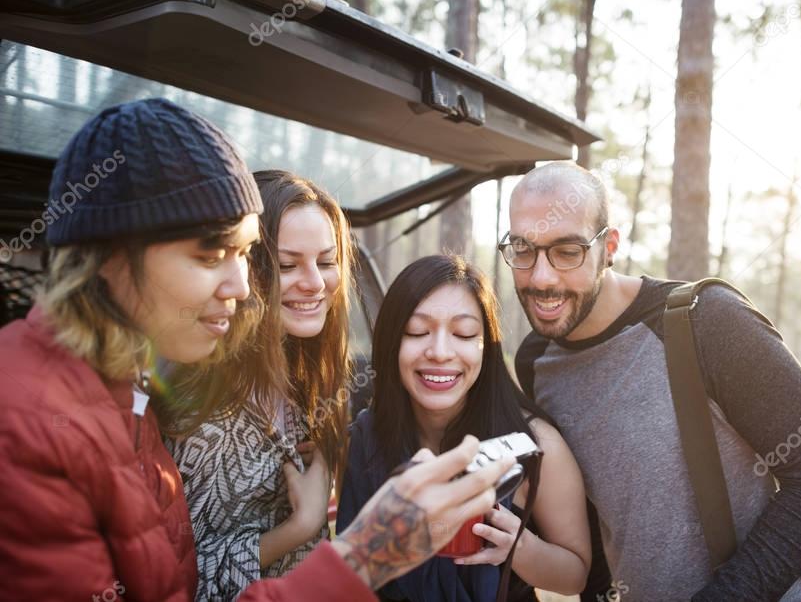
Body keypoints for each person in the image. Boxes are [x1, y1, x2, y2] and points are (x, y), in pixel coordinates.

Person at [0, 98, 514, 600]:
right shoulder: (30, 425)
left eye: (245, 254)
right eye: (211, 255)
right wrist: (359, 553)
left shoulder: (130, 392)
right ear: (110, 258)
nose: (243, 285)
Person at [503, 161, 801, 601]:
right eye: (523, 249)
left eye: (567, 251)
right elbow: (592, 519)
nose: (541, 277)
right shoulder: (536, 362)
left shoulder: (709, 321)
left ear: (609, 246)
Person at [338, 255, 591, 602]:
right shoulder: (367, 439)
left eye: (463, 333)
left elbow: (575, 575)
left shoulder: (534, 443)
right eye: (417, 331)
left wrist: (519, 546)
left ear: (487, 347)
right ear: (390, 342)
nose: (440, 352)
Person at [161, 170, 354, 599]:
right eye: (288, 265)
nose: (315, 282)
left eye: (326, 261)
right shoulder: (198, 407)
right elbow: (175, 582)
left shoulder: (313, 379)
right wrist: (298, 527)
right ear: (246, 268)